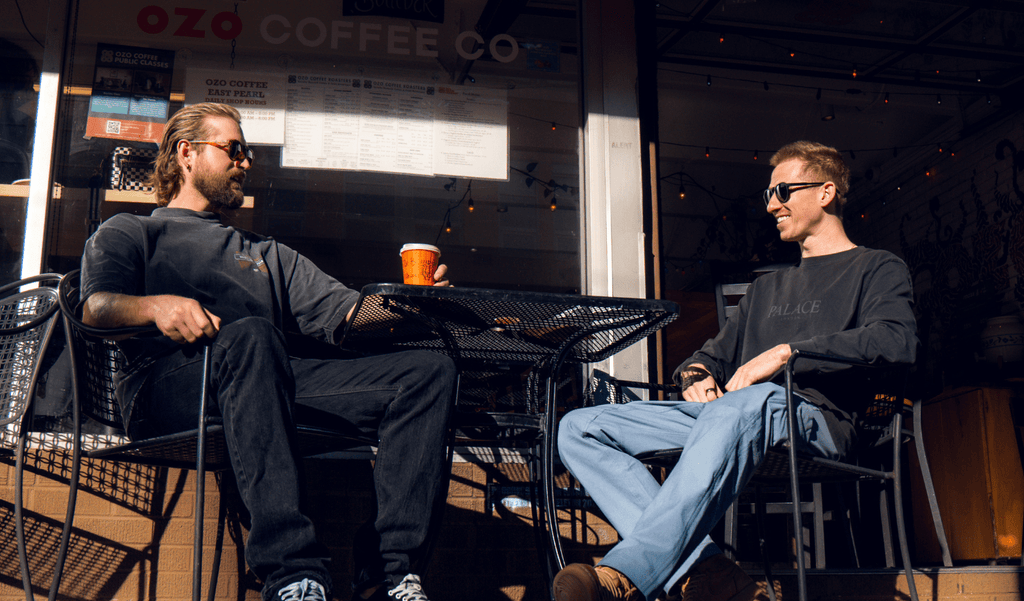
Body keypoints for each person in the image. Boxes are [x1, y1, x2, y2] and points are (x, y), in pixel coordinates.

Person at [80, 102, 456, 601]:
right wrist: (154, 307)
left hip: (265, 380)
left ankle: (386, 576)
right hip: (168, 391)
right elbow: (94, 307)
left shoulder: (265, 254)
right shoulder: (132, 230)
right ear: (186, 153)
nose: (246, 162)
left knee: (428, 373)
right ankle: (291, 572)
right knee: (253, 335)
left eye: (248, 152)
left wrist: (415, 302)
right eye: (233, 149)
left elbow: (348, 314)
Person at [552, 141, 918, 601]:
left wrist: (788, 352)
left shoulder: (876, 267)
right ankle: (707, 570)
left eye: (783, 191)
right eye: (768, 194)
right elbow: (707, 356)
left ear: (826, 193)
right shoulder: (767, 287)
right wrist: (697, 374)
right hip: (737, 417)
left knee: (749, 400)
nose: (772, 205)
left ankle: (627, 573)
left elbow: (895, 340)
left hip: (819, 419)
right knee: (580, 426)